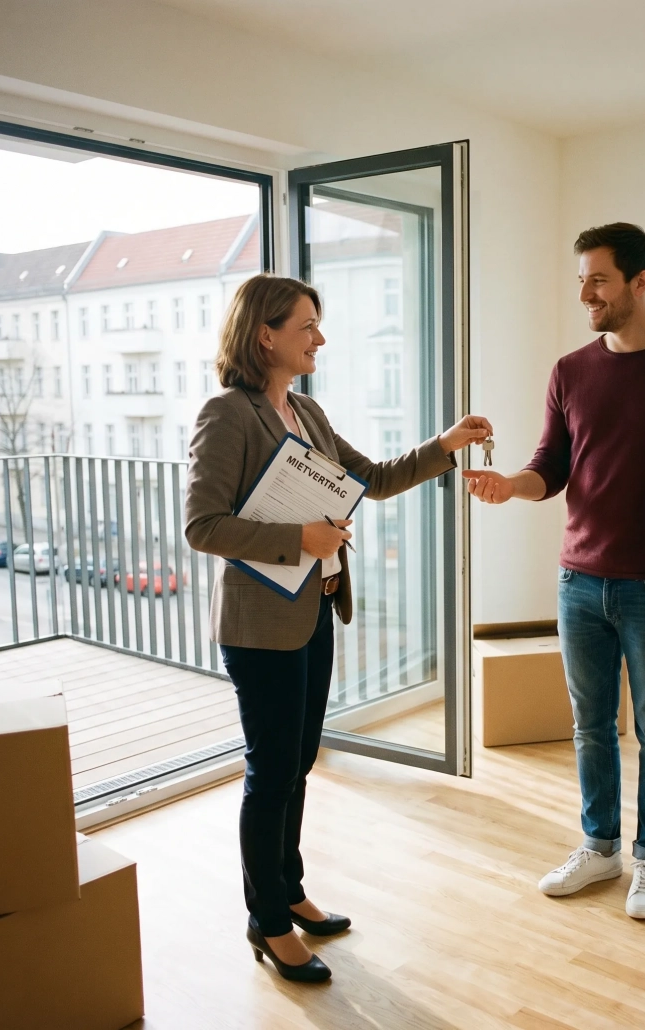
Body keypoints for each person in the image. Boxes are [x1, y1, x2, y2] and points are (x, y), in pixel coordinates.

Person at [185, 274, 491, 983]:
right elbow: (203, 526)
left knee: (298, 764)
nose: (319, 338)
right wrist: (303, 538)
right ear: (265, 334)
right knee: (271, 772)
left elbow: (373, 478)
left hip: (310, 610)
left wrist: (445, 443)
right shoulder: (226, 415)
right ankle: (266, 924)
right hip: (258, 624)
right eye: (306, 326)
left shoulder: (308, 414)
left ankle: (288, 891)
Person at [464, 224, 645, 921]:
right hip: (578, 581)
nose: (584, 293)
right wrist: (513, 485)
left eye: (597, 278)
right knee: (590, 726)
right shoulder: (570, 370)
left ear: (640, 282)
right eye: (581, 280)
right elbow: (552, 467)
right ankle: (601, 847)